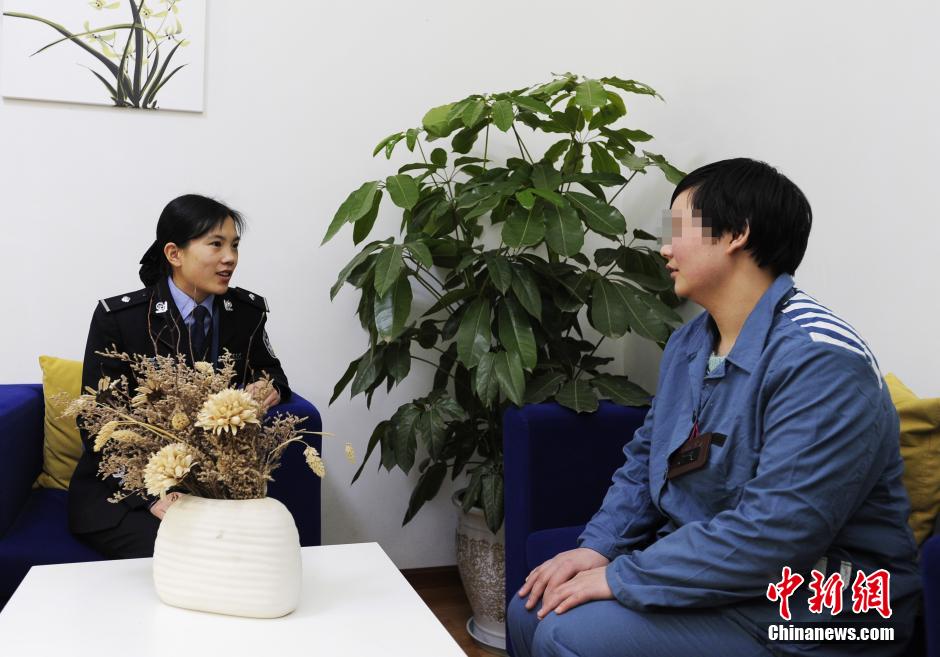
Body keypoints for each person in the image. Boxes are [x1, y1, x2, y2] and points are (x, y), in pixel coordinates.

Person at [507, 159, 921, 657]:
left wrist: (622, 577)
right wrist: (598, 548)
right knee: (530, 610)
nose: (665, 248)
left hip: (818, 607)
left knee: (568, 635)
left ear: (736, 234)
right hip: (721, 576)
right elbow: (646, 463)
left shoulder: (821, 359)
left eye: (678, 229)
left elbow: (777, 535)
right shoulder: (690, 343)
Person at [68, 194, 291, 559]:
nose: (230, 258)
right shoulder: (120, 319)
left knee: (259, 554)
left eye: (234, 245)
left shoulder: (244, 312)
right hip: (127, 495)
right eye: (215, 245)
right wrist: (150, 495)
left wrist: (270, 387)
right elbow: (97, 419)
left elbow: (271, 369)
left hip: (213, 486)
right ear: (174, 254)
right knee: (187, 557)